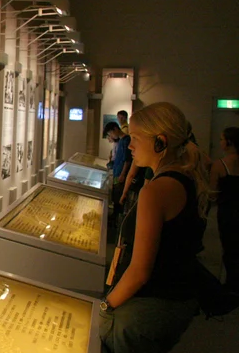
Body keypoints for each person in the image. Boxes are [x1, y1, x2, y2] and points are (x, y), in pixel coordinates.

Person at [100, 102, 210, 353]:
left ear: (160, 141)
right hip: (174, 301)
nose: (130, 146)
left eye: (136, 138)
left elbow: (140, 270)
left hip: (148, 308)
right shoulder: (183, 177)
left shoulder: (157, 191)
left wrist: (106, 307)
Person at [209, 127, 239, 293]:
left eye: (222, 139)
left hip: (228, 213)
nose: (220, 142)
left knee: (229, 248)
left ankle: (232, 284)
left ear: (229, 142)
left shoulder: (220, 165)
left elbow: (212, 193)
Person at [104, 122, 132, 222]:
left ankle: (117, 219)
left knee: (119, 197)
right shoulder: (121, 141)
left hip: (120, 174)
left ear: (115, 129)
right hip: (117, 173)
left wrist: (123, 174)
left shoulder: (126, 140)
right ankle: (115, 217)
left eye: (111, 133)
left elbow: (127, 160)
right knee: (116, 196)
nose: (111, 136)